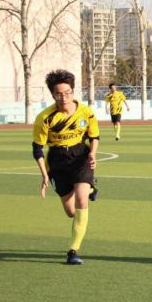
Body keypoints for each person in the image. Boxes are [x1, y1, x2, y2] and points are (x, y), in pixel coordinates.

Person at [32, 69, 100, 265]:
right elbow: (37, 149)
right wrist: (44, 175)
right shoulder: (45, 118)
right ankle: (91, 189)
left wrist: (93, 153)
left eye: (68, 93)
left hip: (80, 156)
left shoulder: (86, 112)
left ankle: (73, 251)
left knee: (81, 202)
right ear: (53, 94)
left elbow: (94, 136)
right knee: (71, 212)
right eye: (59, 94)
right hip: (57, 160)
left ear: (73, 91)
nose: (64, 98)